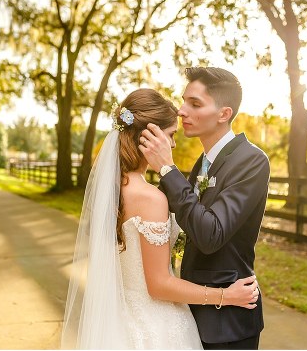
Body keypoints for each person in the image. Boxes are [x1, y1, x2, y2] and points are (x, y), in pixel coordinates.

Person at [61, 88, 260, 349]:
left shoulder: (113, 189)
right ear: (150, 136)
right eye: (170, 135)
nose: (174, 144)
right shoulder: (150, 198)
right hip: (157, 326)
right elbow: (159, 285)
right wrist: (225, 295)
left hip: (122, 320)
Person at [139, 67, 270, 349]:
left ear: (224, 114)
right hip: (191, 310)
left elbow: (211, 234)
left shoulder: (252, 160)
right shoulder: (203, 163)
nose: (182, 111)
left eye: (195, 104)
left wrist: (166, 168)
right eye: (184, 100)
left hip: (228, 323)